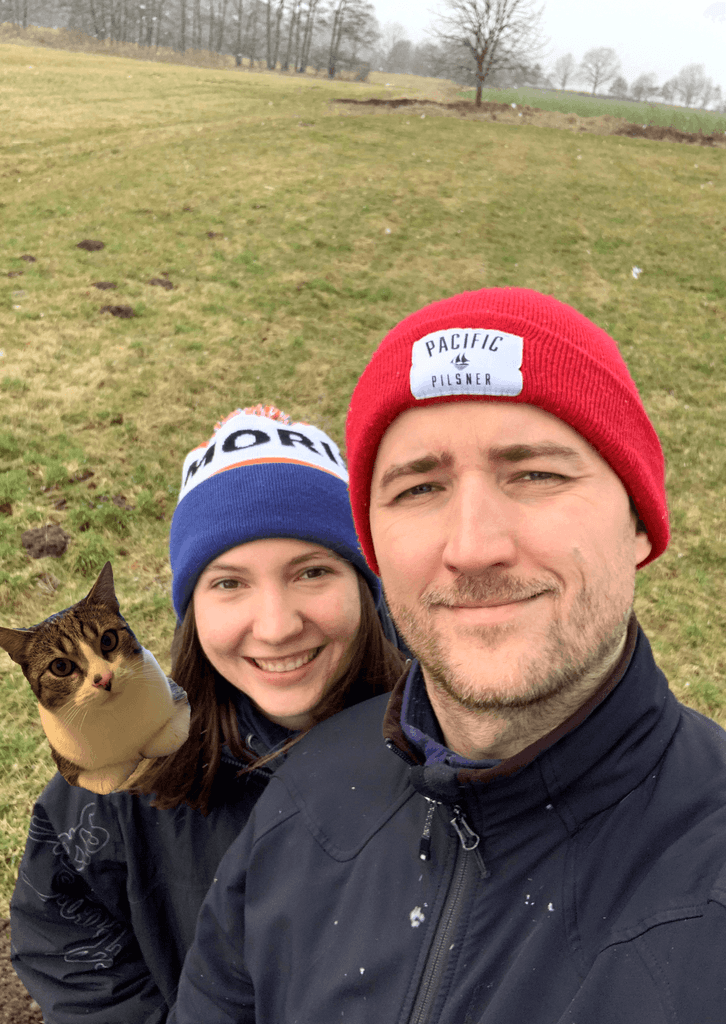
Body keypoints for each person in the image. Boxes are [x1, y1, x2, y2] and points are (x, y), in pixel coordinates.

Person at [170, 290, 726, 1024]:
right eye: (420, 487)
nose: (472, 548)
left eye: (535, 474)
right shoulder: (303, 795)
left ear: (641, 526)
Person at [9, 404, 405, 1024]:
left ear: (366, 583)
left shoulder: (458, 740)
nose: (275, 627)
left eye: (312, 571)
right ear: (191, 609)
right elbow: (61, 921)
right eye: (229, 583)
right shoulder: (126, 768)